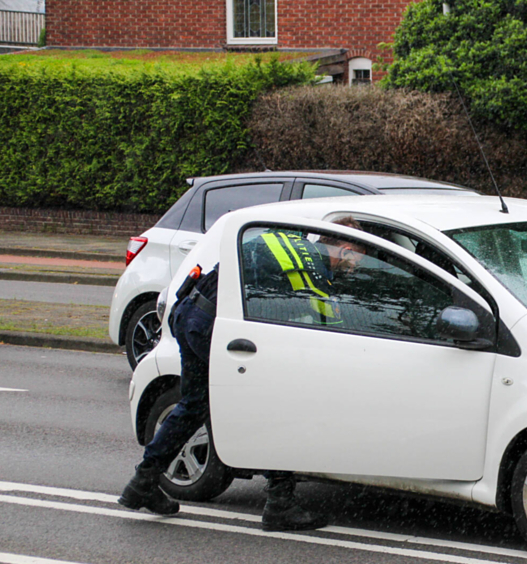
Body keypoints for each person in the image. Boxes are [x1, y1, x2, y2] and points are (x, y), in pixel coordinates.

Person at [118, 217, 368, 532]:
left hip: (192, 313)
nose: (356, 266)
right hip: (214, 328)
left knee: (194, 405)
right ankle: (280, 502)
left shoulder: (291, 241)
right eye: (358, 258)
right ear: (345, 248)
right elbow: (329, 329)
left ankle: (143, 481)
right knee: (279, 408)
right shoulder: (312, 275)